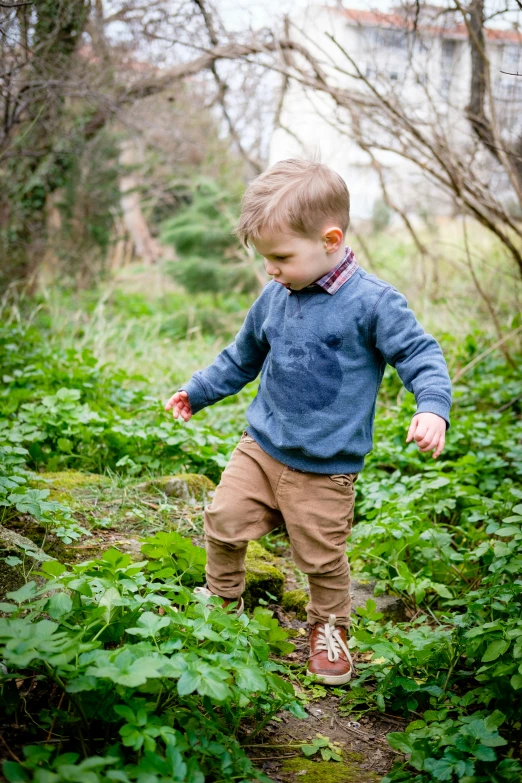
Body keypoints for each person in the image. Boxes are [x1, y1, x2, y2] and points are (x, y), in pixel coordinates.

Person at [165, 158, 452, 685]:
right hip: (262, 445)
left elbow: (420, 354)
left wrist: (431, 405)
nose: (270, 270)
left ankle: (330, 631)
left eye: (280, 257)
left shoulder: (373, 304)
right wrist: (198, 390)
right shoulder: (276, 295)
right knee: (223, 521)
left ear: (330, 239)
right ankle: (224, 601)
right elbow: (242, 356)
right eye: (265, 259)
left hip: (325, 468)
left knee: (321, 561)